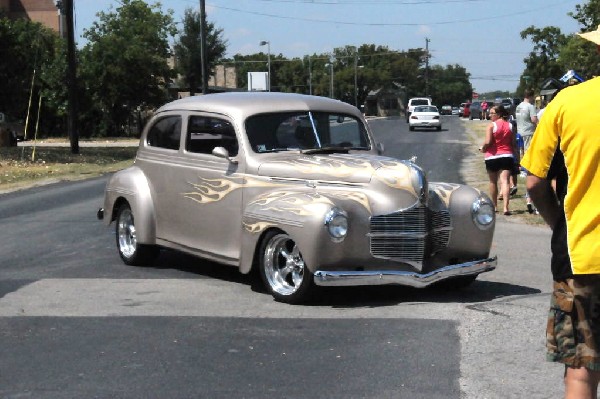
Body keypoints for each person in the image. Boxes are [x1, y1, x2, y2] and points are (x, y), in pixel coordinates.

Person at [521, 24, 600, 399]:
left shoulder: (566, 103)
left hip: (580, 253)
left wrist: (559, 225)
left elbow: (535, 183)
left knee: (583, 368)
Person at [479, 105, 514, 215]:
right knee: (505, 181)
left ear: (498, 114)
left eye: (492, 113)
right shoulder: (510, 125)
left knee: (493, 181)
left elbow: (488, 141)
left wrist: (482, 148)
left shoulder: (491, 126)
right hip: (507, 155)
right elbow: (513, 143)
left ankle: (494, 206)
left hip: (492, 156)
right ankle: (506, 207)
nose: (490, 115)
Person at [515, 89, 539, 213]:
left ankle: (523, 168)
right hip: (529, 133)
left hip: (520, 133)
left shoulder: (518, 107)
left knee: (521, 152)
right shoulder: (530, 107)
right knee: (529, 152)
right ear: (531, 96)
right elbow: (534, 119)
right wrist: (540, 126)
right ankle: (527, 169)